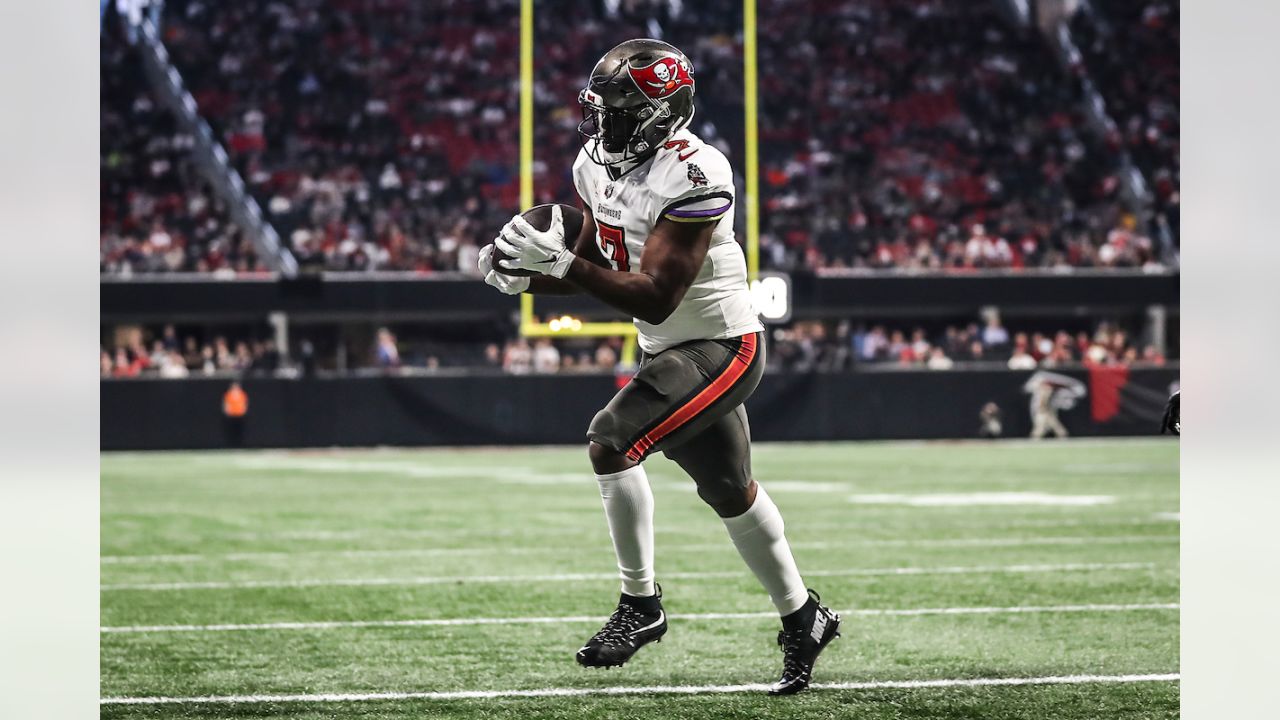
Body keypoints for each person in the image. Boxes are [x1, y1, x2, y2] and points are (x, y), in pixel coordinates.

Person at [478, 39, 839, 695]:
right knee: (730, 490)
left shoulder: (697, 173)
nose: (604, 124)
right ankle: (804, 616)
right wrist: (526, 279)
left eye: (620, 110)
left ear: (661, 113)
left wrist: (562, 266)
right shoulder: (594, 163)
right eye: (602, 110)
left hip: (722, 346)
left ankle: (640, 604)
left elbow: (656, 291)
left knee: (611, 440)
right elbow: (605, 264)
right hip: (667, 348)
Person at [222, 381, 248, 447]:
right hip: (232, 415)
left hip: (240, 414)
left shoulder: (242, 394)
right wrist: (227, 411)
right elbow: (226, 404)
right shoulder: (229, 394)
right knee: (231, 430)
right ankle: (231, 444)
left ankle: (240, 444)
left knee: (239, 430)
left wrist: (244, 410)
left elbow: (245, 403)